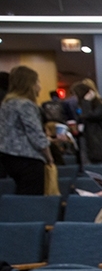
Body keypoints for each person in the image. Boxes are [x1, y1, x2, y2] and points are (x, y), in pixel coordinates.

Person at [0, 65, 53, 195]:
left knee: (22, 198)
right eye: (37, 81)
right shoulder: (26, 104)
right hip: (29, 159)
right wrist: (49, 157)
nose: (39, 86)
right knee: (32, 200)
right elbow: (36, 134)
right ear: (30, 84)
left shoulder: (6, 104)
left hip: (8, 157)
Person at [71, 81, 102, 165]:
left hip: (98, 148)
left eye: (75, 95)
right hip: (86, 146)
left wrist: (86, 101)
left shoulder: (101, 108)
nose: (74, 98)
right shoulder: (83, 109)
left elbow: (88, 116)